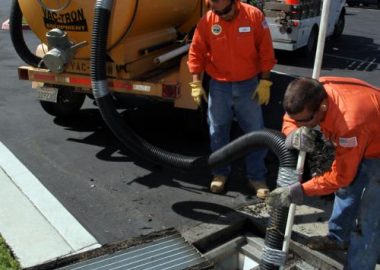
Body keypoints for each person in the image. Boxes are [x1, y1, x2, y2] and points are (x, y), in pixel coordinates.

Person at [267, 76, 380, 270]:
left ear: (323, 109)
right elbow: (291, 116)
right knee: (346, 191)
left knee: (370, 217)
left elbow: (341, 176)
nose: (302, 124)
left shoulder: (349, 124)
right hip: (364, 133)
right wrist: (293, 132)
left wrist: (299, 191)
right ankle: (337, 238)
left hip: (375, 146)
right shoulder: (311, 91)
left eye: (305, 121)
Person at [187, 0, 276, 198]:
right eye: (217, 12)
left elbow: (266, 49)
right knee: (218, 130)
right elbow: (197, 52)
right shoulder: (208, 20)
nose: (223, 15)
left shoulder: (254, 16)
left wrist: (265, 81)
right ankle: (219, 173)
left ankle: (256, 177)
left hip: (248, 85)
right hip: (219, 86)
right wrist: (196, 82)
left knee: (255, 132)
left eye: (226, 10)